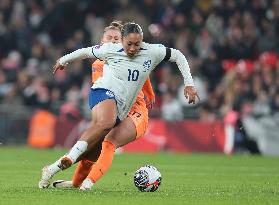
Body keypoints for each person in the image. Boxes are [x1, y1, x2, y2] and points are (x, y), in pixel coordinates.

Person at [39, 22, 199, 190]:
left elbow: (177, 56)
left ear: (142, 41)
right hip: (104, 93)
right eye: (127, 43)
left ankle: (55, 170)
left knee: (95, 150)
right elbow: (85, 52)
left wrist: (189, 84)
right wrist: (63, 60)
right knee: (105, 125)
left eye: (137, 44)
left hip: (126, 109)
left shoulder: (152, 52)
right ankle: (79, 171)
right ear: (117, 41)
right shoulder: (108, 52)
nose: (132, 48)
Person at [46, 20, 156, 190]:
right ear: (101, 42)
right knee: (93, 149)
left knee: (108, 143)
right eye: (109, 38)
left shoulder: (132, 58)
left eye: (116, 38)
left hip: (136, 111)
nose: (112, 41)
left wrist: (149, 92)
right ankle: (76, 183)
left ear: (122, 41)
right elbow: (106, 95)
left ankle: (88, 183)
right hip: (116, 109)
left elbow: (143, 72)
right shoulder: (98, 65)